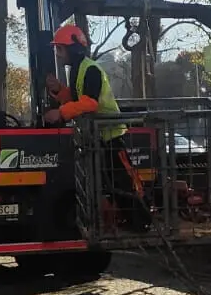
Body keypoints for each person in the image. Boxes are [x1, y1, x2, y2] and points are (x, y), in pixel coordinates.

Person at [45, 23, 148, 226]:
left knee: (124, 181)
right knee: (112, 182)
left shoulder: (90, 69)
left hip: (112, 135)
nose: (58, 54)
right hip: (99, 136)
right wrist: (59, 90)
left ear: (72, 48)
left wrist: (61, 113)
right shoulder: (78, 69)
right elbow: (77, 99)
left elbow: (90, 103)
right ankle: (130, 220)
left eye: (60, 48)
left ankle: (142, 221)